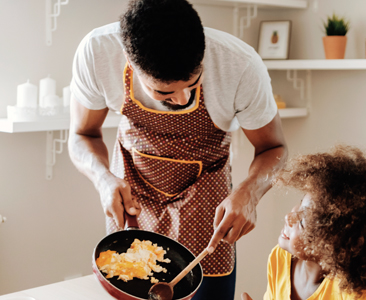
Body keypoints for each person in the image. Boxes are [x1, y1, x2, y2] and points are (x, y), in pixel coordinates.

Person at [67, 0, 287, 299]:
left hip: (207, 198)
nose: (183, 98)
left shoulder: (240, 64)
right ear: (130, 64)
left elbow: (274, 147)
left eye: (193, 83)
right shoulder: (97, 52)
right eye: (165, 92)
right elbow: (82, 134)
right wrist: (103, 179)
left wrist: (249, 192)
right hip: (134, 193)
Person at [242, 145, 366, 300]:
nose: (289, 217)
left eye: (303, 222)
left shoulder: (357, 293)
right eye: (300, 204)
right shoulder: (279, 259)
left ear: (334, 247)